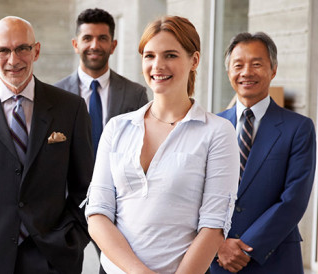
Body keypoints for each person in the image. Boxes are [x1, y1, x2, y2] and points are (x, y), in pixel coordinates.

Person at [85, 16, 238, 273]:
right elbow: (97, 214)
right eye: (149, 55)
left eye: (170, 55)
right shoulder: (117, 128)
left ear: (194, 60)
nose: (158, 65)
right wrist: (139, 272)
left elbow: (214, 226)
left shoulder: (217, 132)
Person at [0, 16, 93, 274]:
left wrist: (72, 239)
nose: (13, 60)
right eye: (3, 50)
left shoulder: (70, 108)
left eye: (22, 48)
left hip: (53, 258)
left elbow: (86, 189)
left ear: (36, 51)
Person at [210, 32, 316, 273]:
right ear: (229, 73)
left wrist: (247, 247)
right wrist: (218, 244)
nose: (246, 72)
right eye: (238, 65)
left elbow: (294, 199)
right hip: (216, 258)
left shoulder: (298, 128)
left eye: (256, 64)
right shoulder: (212, 126)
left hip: (274, 258)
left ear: (273, 70)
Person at [54, 8, 148, 154]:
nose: (94, 45)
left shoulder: (135, 94)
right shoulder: (55, 94)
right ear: (75, 45)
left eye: (102, 38)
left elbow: (141, 148)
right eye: (87, 38)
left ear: (113, 46)